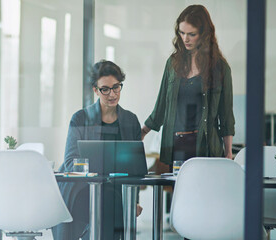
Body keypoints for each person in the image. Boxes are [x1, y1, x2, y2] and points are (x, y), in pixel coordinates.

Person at [52, 60, 142, 240]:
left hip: (116, 191)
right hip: (82, 190)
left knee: (111, 201)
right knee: (108, 203)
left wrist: (135, 200)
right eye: (105, 89)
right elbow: (70, 161)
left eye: (116, 87)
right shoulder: (80, 118)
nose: (112, 94)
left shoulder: (130, 120)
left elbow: (135, 166)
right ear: (95, 90)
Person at [142, 5, 235, 167]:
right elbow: (161, 105)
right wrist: (142, 132)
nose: (185, 39)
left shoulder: (219, 68)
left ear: (204, 35)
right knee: (178, 191)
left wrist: (228, 153)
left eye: (192, 34)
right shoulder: (172, 64)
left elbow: (226, 116)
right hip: (176, 146)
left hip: (206, 147)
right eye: (182, 33)